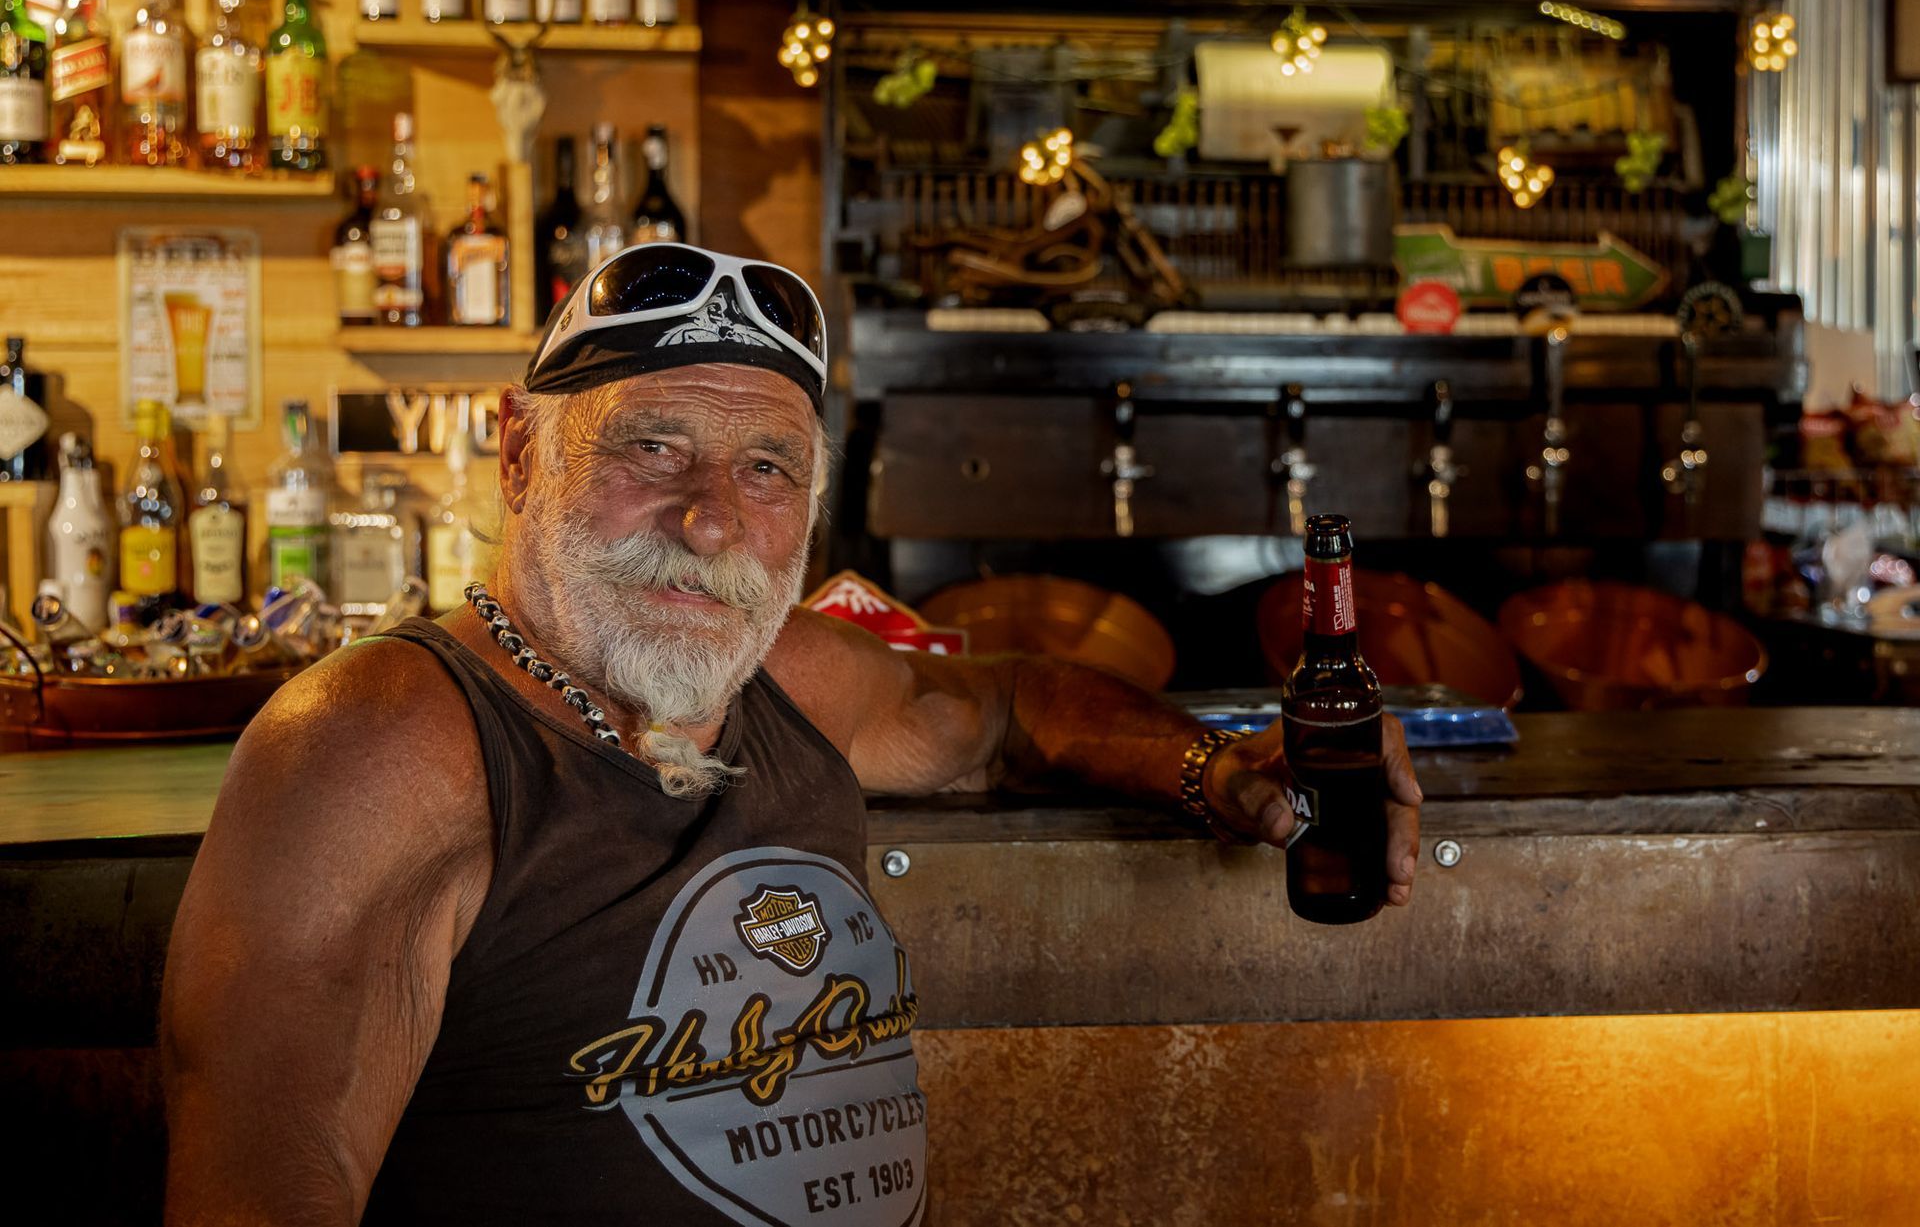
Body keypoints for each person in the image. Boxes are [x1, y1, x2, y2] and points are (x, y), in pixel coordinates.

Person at [160, 244, 1424, 1226]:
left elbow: (1001, 710)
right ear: (519, 451)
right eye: (651, 447)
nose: (711, 521)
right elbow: (268, 1193)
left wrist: (1219, 768)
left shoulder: (789, 681)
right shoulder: (385, 739)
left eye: (766, 469)